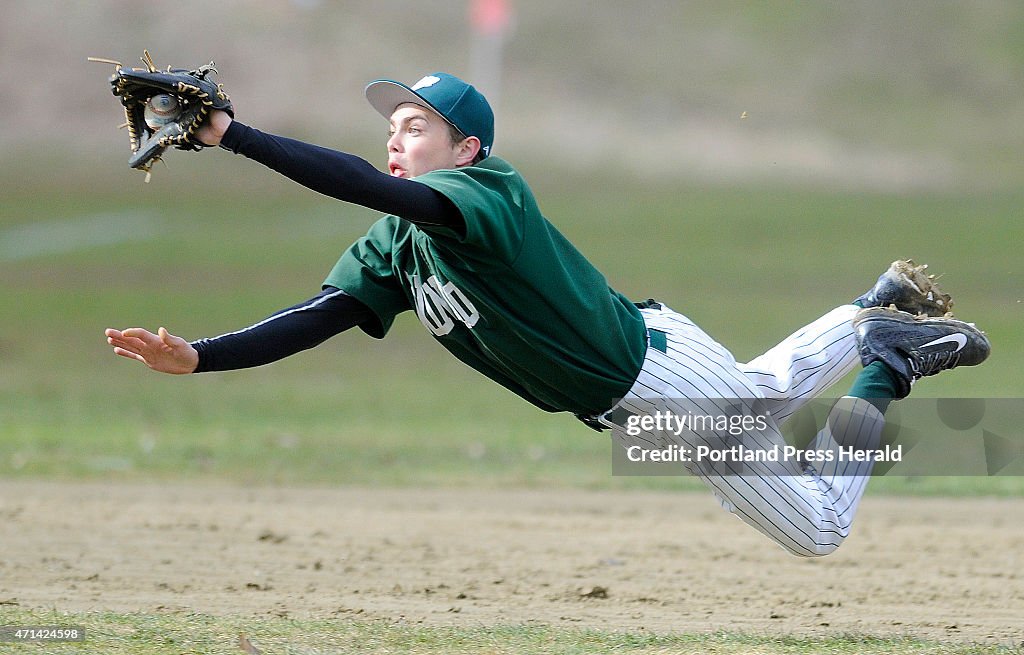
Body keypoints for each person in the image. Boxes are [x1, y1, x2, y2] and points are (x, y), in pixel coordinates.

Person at [105, 73, 990, 557]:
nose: (394, 139)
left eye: (415, 125)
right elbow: (322, 313)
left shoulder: (488, 190)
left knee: (819, 529)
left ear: (466, 148)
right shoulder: (397, 247)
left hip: (655, 388)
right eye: (392, 127)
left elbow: (364, 183)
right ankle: (873, 313)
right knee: (755, 393)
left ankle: (886, 359)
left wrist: (234, 135)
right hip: (655, 364)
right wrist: (204, 358)